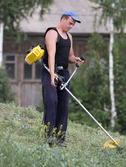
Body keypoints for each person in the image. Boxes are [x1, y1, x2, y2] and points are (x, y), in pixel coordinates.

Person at [41, 11, 84, 147]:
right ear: (63, 19)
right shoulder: (52, 33)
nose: (71, 26)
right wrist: (53, 74)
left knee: (64, 104)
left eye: (73, 24)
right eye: (70, 23)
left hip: (64, 73)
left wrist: (75, 59)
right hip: (50, 71)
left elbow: (69, 57)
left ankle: (60, 138)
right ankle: (49, 135)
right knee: (51, 101)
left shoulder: (69, 37)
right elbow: (51, 55)